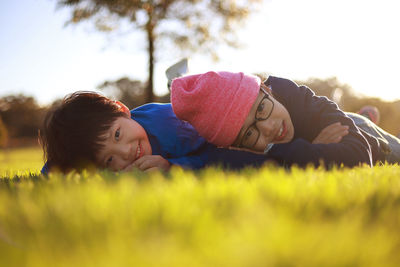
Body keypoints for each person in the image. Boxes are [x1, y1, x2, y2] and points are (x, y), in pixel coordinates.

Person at [171, 71, 400, 168]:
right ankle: (364, 116)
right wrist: (173, 165)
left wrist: (291, 153)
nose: (269, 128)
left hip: (367, 139)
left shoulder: (301, 98)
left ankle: (365, 119)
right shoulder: (241, 149)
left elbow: (358, 157)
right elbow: (216, 159)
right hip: (337, 124)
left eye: (261, 108)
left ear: (266, 89)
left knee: (373, 135)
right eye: (250, 133)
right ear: (239, 147)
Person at [40, 91, 275, 174]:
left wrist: (174, 166)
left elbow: (214, 154)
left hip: (188, 114)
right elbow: (58, 163)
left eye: (118, 135)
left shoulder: (179, 127)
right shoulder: (86, 148)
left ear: (123, 110)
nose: (126, 152)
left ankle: (178, 84)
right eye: (109, 159)